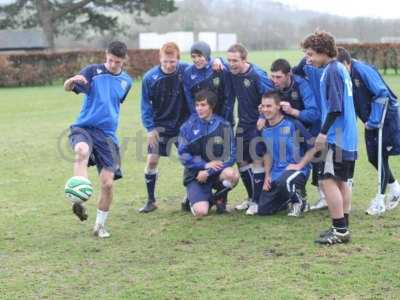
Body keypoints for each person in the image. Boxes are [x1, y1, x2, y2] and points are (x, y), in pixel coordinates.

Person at [64, 41, 133, 238]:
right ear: (106, 55)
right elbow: (70, 87)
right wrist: (69, 82)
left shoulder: (126, 82)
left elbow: (114, 103)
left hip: (108, 135)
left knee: (108, 183)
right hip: (84, 127)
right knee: (82, 150)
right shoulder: (92, 71)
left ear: (123, 60)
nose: (112, 64)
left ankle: (99, 226)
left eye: (117, 62)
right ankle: (78, 199)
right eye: (110, 60)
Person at [302, 31, 358, 245]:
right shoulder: (339, 69)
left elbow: (335, 108)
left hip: (337, 137)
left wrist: (323, 133)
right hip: (347, 137)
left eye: (310, 54)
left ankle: (340, 230)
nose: (308, 59)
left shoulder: (333, 71)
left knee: (327, 180)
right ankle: (342, 227)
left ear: (324, 52)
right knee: (341, 181)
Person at [337, 47, 400, 215]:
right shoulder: (346, 74)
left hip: (385, 118)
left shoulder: (362, 70)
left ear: (345, 63)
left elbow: (382, 93)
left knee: (380, 157)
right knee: (373, 158)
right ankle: (395, 189)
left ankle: (379, 200)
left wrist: (373, 121)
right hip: (370, 120)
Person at [139, 42, 190, 213]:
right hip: (159, 126)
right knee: (152, 161)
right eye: (165, 62)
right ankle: (151, 200)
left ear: (178, 59)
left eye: (172, 62)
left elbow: (204, 66)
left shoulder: (186, 70)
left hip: (183, 125)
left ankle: (190, 197)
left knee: (188, 161)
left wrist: (216, 60)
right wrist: (150, 128)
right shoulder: (150, 78)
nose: (169, 65)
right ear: (160, 59)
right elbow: (145, 105)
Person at [246, 91, 315, 217]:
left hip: (297, 170)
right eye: (263, 106)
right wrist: (267, 175)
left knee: (286, 182)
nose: (266, 110)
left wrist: (300, 165)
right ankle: (287, 200)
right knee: (263, 209)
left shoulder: (293, 124)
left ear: (278, 106)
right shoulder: (263, 129)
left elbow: (313, 147)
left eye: (269, 106)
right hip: (277, 171)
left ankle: (300, 202)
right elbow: (267, 154)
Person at [224, 43, 275, 212]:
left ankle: (257, 201)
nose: (231, 64)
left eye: (235, 60)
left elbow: (271, 97)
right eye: (229, 60)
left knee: (256, 160)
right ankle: (251, 197)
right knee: (241, 160)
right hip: (242, 123)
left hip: (257, 125)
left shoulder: (257, 75)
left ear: (244, 60)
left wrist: (263, 117)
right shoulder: (232, 73)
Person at [178, 89, 239, 216]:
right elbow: (183, 155)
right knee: (201, 212)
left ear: (212, 106)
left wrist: (209, 171)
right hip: (196, 175)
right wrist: (204, 166)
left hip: (215, 172)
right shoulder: (187, 127)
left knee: (232, 175)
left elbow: (231, 155)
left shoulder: (224, 126)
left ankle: (220, 198)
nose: (199, 108)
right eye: (197, 105)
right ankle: (192, 199)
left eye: (203, 105)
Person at [292, 55, 328, 211]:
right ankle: (321, 197)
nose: (310, 57)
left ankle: (326, 197)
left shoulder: (329, 69)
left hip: (323, 118)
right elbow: (294, 70)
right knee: (315, 158)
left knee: (322, 158)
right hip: (314, 119)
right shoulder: (306, 64)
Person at [183, 41, 234, 125]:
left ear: (207, 55)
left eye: (200, 56)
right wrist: (197, 117)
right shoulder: (188, 72)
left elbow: (228, 97)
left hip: (222, 118)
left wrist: (224, 119)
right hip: (200, 119)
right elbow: (189, 100)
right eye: (193, 57)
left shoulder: (219, 68)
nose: (196, 60)